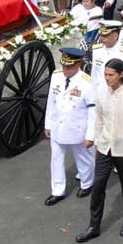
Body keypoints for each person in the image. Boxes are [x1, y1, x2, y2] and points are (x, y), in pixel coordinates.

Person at [75, 59, 123, 243]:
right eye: (105, 74)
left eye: (110, 75)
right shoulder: (100, 91)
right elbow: (99, 119)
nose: (106, 78)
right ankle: (94, 226)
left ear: (121, 74)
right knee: (98, 186)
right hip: (105, 147)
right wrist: (98, 143)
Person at [44, 48, 96, 206]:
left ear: (78, 64)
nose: (65, 70)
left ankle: (87, 183)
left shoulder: (88, 83)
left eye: (69, 67)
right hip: (58, 126)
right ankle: (57, 190)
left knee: (84, 158)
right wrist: (48, 123)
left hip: (77, 128)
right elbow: (51, 101)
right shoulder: (56, 76)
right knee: (56, 159)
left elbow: (93, 111)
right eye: (64, 66)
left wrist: (90, 136)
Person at [90, 20, 123, 88]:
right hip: (99, 92)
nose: (102, 38)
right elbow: (94, 75)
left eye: (106, 36)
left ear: (115, 35)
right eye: (102, 35)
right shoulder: (96, 50)